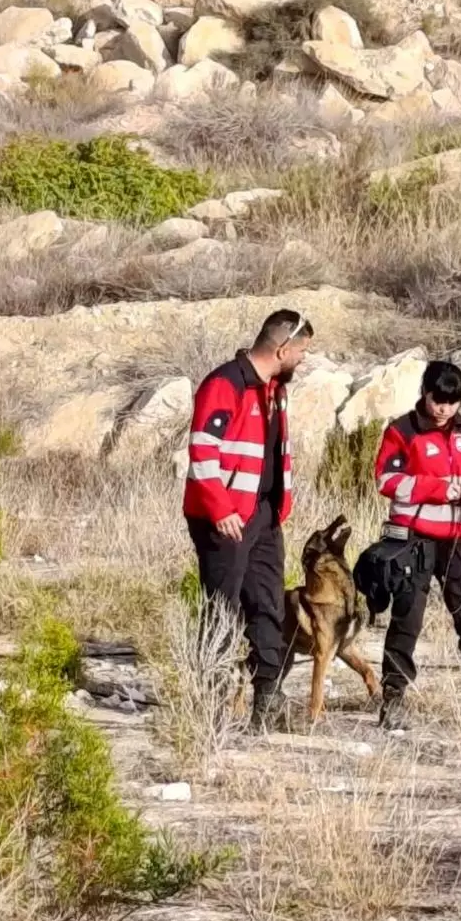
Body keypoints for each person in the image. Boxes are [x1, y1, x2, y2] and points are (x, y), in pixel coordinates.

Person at [183, 310, 313, 731]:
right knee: (222, 608)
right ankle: (209, 702)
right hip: (225, 520)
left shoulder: (274, 389)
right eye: (301, 352)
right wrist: (221, 510)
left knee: (268, 603)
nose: (303, 360)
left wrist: (279, 506)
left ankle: (268, 699)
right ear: (280, 349)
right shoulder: (225, 384)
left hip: (263, 515)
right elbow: (203, 452)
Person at [373, 360, 461, 734]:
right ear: (425, 393)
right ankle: (393, 700)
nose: (444, 410)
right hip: (415, 539)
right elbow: (386, 480)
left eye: (452, 403)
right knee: (408, 619)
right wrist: (437, 489)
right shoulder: (401, 430)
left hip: (460, 540)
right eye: (439, 400)